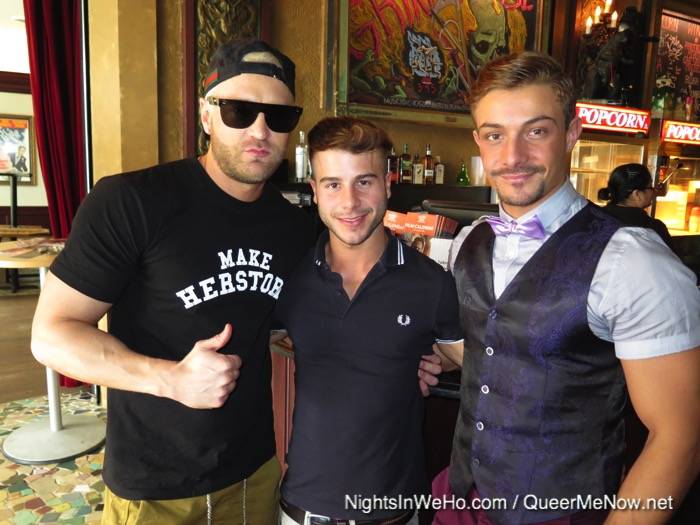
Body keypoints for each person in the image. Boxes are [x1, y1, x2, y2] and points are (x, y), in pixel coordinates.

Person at [31, 39, 316, 524]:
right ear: (207, 116)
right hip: (153, 487)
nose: (260, 130)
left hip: (253, 474)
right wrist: (171, 379)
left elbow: (294, 322)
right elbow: (51, 335)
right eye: (239, 111)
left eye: (279, 116)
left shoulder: (294, 228)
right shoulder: (131, 201)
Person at [433, 52, 700, 525]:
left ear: (572, 133)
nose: (512, 156)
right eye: (495, 135)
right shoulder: (469, 241)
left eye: (536, 131)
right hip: (462, 498)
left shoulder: (632, 262)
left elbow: (682, 437)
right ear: (478, 141)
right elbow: (495, 351)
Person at [274, 117, 464, 524]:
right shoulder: (290, 279)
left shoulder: (432, 284)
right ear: (314, 191)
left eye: (364, 181)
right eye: (333, 184)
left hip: (396, 512)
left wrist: (442, 361)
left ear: (388, 184)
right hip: (301, 509)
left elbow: (478, 362)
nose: (350, 202)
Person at [598, 163, 673, 248]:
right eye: (650, 187)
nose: (654, 191)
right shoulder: (654, 228)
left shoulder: (595, 217)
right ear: (637, 194)